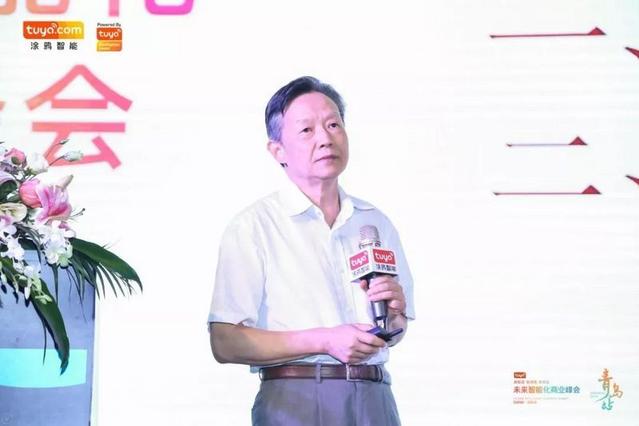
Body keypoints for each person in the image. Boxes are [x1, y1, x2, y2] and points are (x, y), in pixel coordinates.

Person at [208, 76, 415, 426]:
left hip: (375, 397)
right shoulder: (254, 226)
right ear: (278, 151)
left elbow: (397, 328)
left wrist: (394, 318)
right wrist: (324, 341)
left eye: (334, 125)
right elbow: (225, 342)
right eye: (307, 130)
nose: (325, 138)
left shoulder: (374, 222)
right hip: (297, 399)